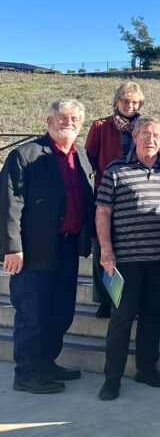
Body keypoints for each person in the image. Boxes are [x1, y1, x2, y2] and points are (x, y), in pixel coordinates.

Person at [1, 98, 95, 394]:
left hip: (67, 247)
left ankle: (46, 362)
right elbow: (9, 204)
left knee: (61, 311)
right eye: (62, 118)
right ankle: (27, 373)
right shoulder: (25, 155)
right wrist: (11, 247)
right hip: (32, 250)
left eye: (75, 119)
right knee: (33, 313)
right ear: (49, 121)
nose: (69, 123)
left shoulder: (81, 154)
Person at [95, 116, 160, 401]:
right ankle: (112, 378)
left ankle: (146, 369)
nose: (151, 140)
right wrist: (106, 250)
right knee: (122, 316)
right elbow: (102, 211)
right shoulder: (116, 169)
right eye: (145, 134)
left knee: (151, 315)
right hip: (124, 259)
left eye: (157, 135)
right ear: (134, 136)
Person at [85, 81, 145, 318]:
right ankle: (105, 299)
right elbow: (89, 159)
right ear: (117, 102)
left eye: (134, 101)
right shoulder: (101, 126)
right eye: (125, 100)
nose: (129, 105)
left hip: (135, 195)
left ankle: (132, 299)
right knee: (103, 248)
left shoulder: (144, 125)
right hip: (106, 193)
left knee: (133, 249)